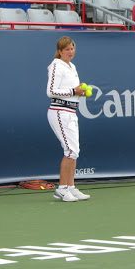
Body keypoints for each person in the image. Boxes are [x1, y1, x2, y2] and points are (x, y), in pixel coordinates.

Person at [46, 36, 91, 202]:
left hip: (71, 112)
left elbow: (73, 90)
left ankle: (71, 187)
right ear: (60, 51)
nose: (70, 52)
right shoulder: (56, 65)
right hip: (59, 111)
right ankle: (62, 189)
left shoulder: (71, 66)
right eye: (67, 49)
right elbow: (51, 91)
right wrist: (74, 91)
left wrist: (81, 92)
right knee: (70, 151)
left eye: (72, 48)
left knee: (75, 151)